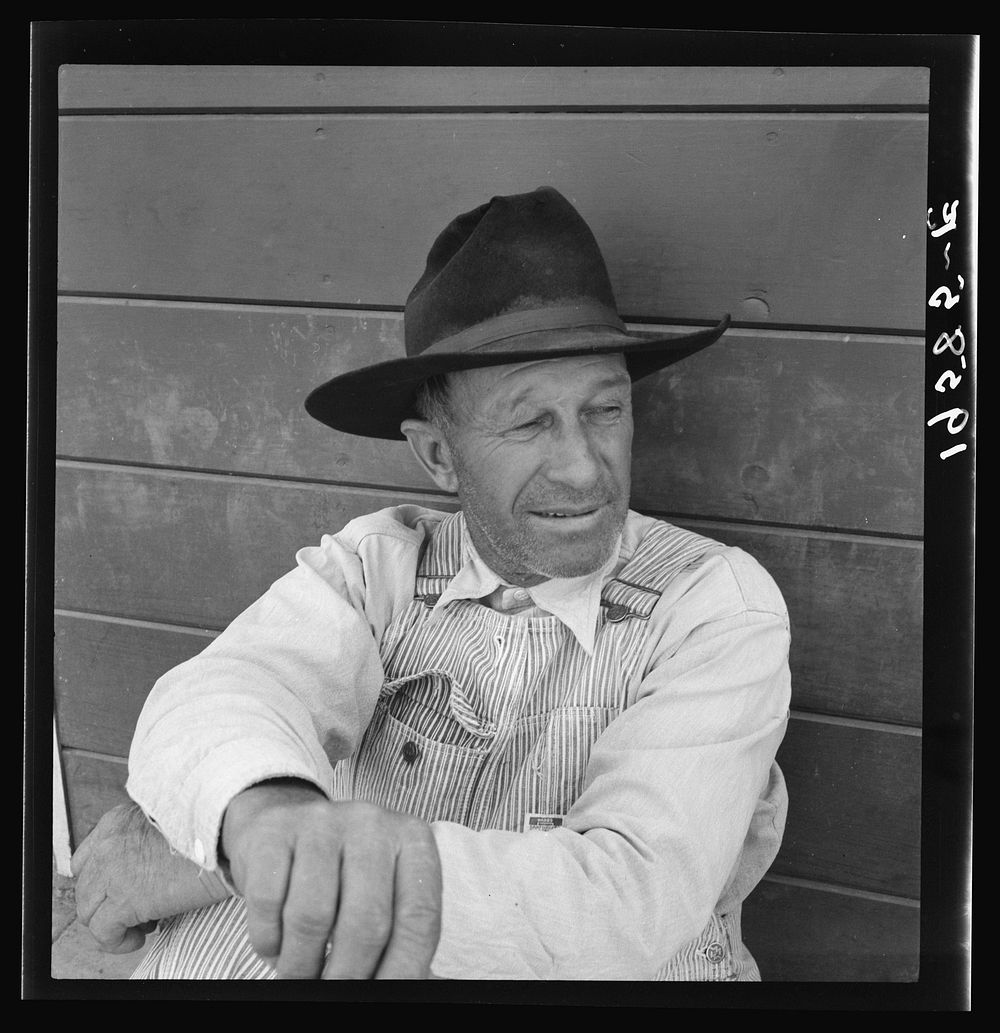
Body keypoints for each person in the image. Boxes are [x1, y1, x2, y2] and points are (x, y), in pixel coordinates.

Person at [71, 186, 791, 981]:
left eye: (605, 409)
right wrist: (263, 816)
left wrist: (219, 854)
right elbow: (227, 689)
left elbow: (620, 907)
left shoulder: (712, 604)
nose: (586, 467)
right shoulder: (380, 565)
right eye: (529, 422)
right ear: (439, 458)